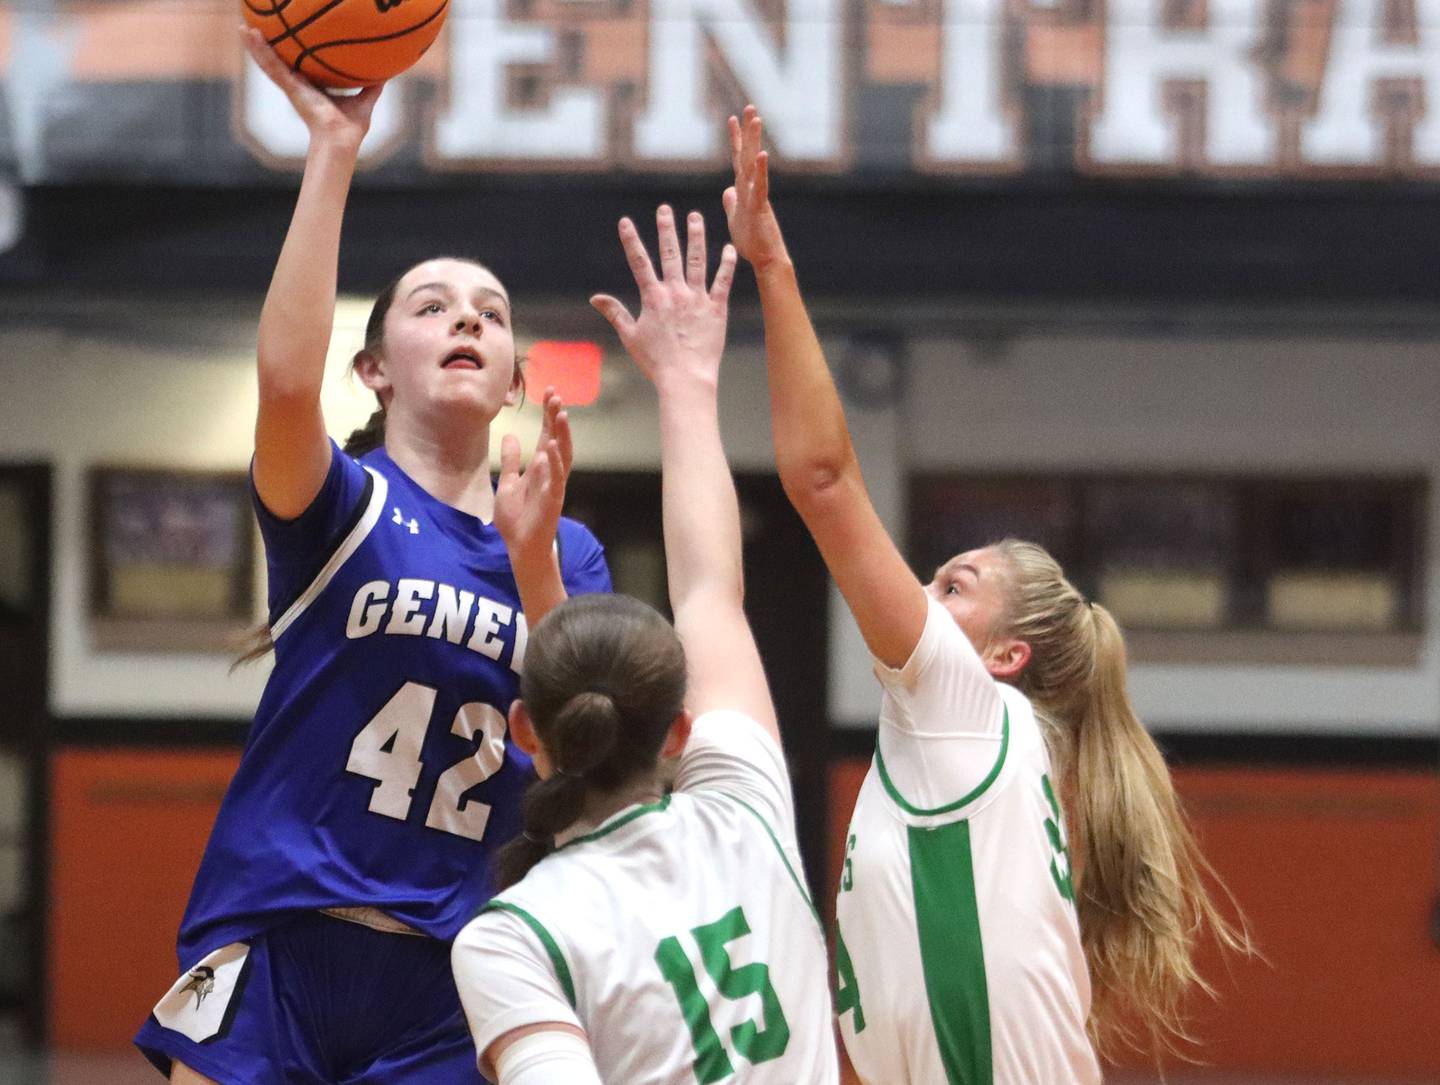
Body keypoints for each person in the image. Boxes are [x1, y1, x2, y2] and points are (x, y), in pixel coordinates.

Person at [723, 107, 1247, 1083]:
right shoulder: (975, 742)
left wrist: (772, 265)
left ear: (1006, 654)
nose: (919, 591)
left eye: (953, 585)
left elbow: (825, 481)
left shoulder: (965, 705)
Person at [134, 31, 610, 1084]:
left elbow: (589, 755)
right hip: (285, 932)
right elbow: (286, 384)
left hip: (458, 965)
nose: (467, 323)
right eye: (433, 308)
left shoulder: (569, 548)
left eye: (490, 315)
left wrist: (533, 565)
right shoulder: (339, 506)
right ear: (376, 367)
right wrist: (333, 154)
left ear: (514, 378)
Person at [450, 205, 841, 1085]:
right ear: (678, 731)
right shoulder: (744, 812)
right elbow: (710, 586)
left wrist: (527, 562)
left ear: (524, 730)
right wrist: (688, 381)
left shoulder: (514, 933)